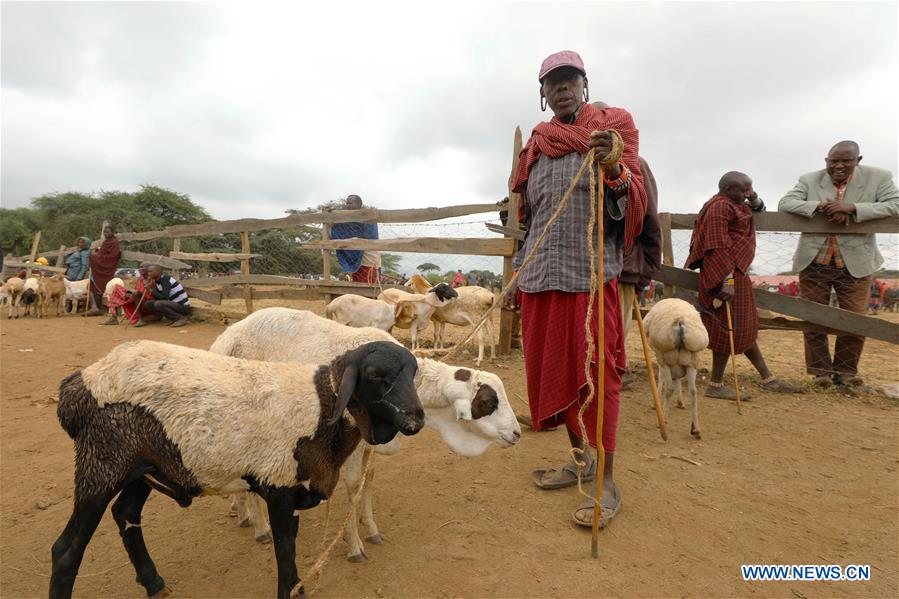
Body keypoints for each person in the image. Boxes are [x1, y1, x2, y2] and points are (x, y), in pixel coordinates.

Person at [505, 50, 648, 529]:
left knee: (596, 377)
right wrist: (517, 273)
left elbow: (634, 200)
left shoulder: (612, 130)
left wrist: (615, 169)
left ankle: (607, 480)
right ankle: (580, 460)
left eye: (570, 79)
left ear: (584, 84)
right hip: (539, 279)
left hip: (589, 277)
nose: (562, 88)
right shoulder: (537, 145)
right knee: (555, 374)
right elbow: (530, 219)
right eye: (553, 82)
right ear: (543, 93)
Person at [778, 140, 899, 387]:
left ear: (858, 160)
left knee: (854, 319)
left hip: (856, 264)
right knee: (813, 317)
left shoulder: (879, 177)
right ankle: (821, 372)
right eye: (834, 161)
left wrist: (851, 208)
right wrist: (823, 206)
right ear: (826, 161)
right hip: (814, 262)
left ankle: (845, 373)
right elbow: (785, 203)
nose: (839, 166)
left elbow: (895, 204)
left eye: (846, 161)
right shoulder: (809, 180)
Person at [685, 172, 803, 399]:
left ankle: (768, 378)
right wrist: (727, 281)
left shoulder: (736, 204)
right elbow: (718, 246)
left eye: (750, 188)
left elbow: (758, 208)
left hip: (735, 271)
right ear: (728, 190)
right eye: (744, 190)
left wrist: (753, 197)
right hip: (724, 274)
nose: (748, 193)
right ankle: (716, 385)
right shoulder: (719, 208)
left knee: (744, 325)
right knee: (726, 326)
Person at [331, 195, 381, 283]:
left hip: (368, 260)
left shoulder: (368, 217)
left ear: (358, 204)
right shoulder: (346, 221)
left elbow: (371, 236)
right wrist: (332, 215)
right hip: (355, 262)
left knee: (368, 287)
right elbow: (335, 230)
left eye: (350, 203)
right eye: (346, 203)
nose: (347, 205)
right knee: (357, 286)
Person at [85, 224, 120, 315]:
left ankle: (96, 308)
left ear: (112, 232)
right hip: (100, 266)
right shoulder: (105, 242)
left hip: (107, 268)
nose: (105, 234)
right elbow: (101, 253)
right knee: (91, 285)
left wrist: (95, 258)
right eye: (104, 232)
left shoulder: (115, 242)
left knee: (97, 285)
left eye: (107, 232)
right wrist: (97, 254)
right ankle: (95, 307)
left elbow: (114, 256)